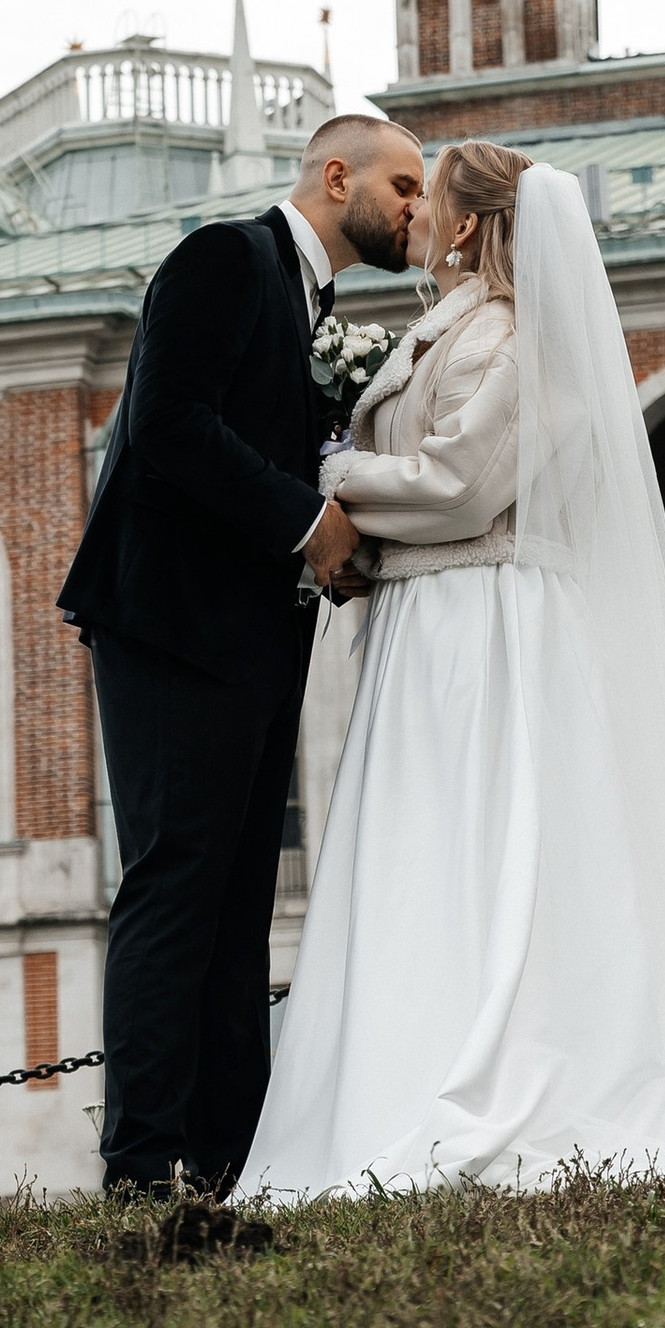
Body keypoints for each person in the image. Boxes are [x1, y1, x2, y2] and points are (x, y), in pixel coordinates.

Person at [237, 143, 665, 1200]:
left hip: (481, 621)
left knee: (491, 844)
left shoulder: (517, 339)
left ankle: (501, 1078)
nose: (412, 213)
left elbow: (463, 485)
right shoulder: (454, 328)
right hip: (429, 620)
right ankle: (402, 1067)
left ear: (468, 228)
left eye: (430, 200)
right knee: (427, 849)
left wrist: (332, 477)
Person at [59, 112, 427, 1195]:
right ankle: (139, 1166)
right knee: (175, 885)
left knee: (236, 902)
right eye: (402, 185)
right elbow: (168, 426)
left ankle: (227, 1158)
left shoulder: (315, 301)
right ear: (335, 175)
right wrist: (307, 526)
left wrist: (326, 526)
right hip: (171, 622)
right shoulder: (225, 256)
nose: (415, 206)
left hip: (259, 631)